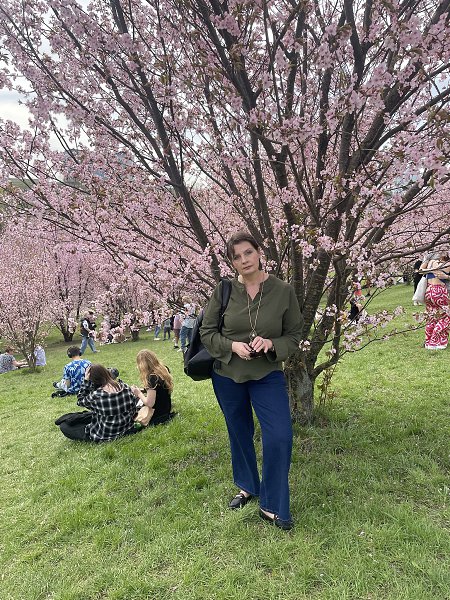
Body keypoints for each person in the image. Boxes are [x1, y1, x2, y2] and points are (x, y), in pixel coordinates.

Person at [200, 231, 302, 530]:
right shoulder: (224, 291)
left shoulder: (283, 291)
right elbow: (207, 332)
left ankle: (272, 504)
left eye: (248, 252)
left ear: (259, 252)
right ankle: (247, 486)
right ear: (231, 263)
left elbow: (294, 335)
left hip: (267, 374)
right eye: (236, 257)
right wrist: (232, 346)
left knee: (279, 435)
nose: (244, 260)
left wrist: (271, 344)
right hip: (227, 374)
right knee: (239, 432)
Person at [55, 364, 138, 442]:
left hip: (105, 434)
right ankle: (71, 418)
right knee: (88, 415)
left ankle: (68, 418)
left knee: (64, 426)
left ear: (93, 380)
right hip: (126, 428)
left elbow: (80, 401)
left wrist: (86, 381)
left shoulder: (97, 396)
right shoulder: (125, 386)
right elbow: (133, 408)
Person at [131, 349, 175, 426]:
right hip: (166, 407)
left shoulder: (152, 377)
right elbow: (159, 390)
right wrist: (142, 390)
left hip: (157, 413)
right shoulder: (163, 369)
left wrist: (138, 393)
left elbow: (150, 403)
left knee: (134, 401)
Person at [420, 252, 450, 350]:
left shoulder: (430, 262)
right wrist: (446, 277)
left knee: (431, 316)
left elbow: (420, 270)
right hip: (440, 292)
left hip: (428, 291)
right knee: (445, 315)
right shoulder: (446, 264)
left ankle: (428, 342)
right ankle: (437, 342)